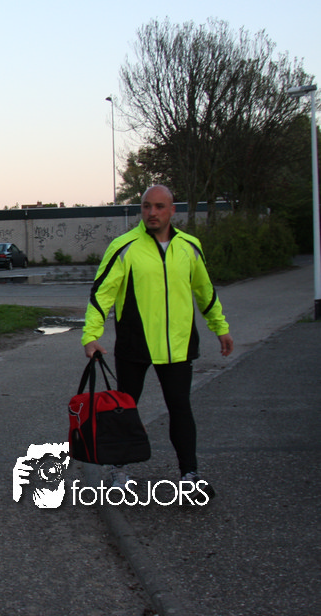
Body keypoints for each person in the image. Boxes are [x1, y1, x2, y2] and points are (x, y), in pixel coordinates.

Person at [82, 184, 233, 495]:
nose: (152, 212)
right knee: (124, 410)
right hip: (135, 344)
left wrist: (220, 327)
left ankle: (189, 476)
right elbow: (102, 294)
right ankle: (118, 471)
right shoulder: (124, 247)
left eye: (159, 207)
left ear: (172, 210)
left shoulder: (190, 247)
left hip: (178, 346)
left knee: (181, 409)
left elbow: (205, 291)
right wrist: (91, 336)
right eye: (146, 206)